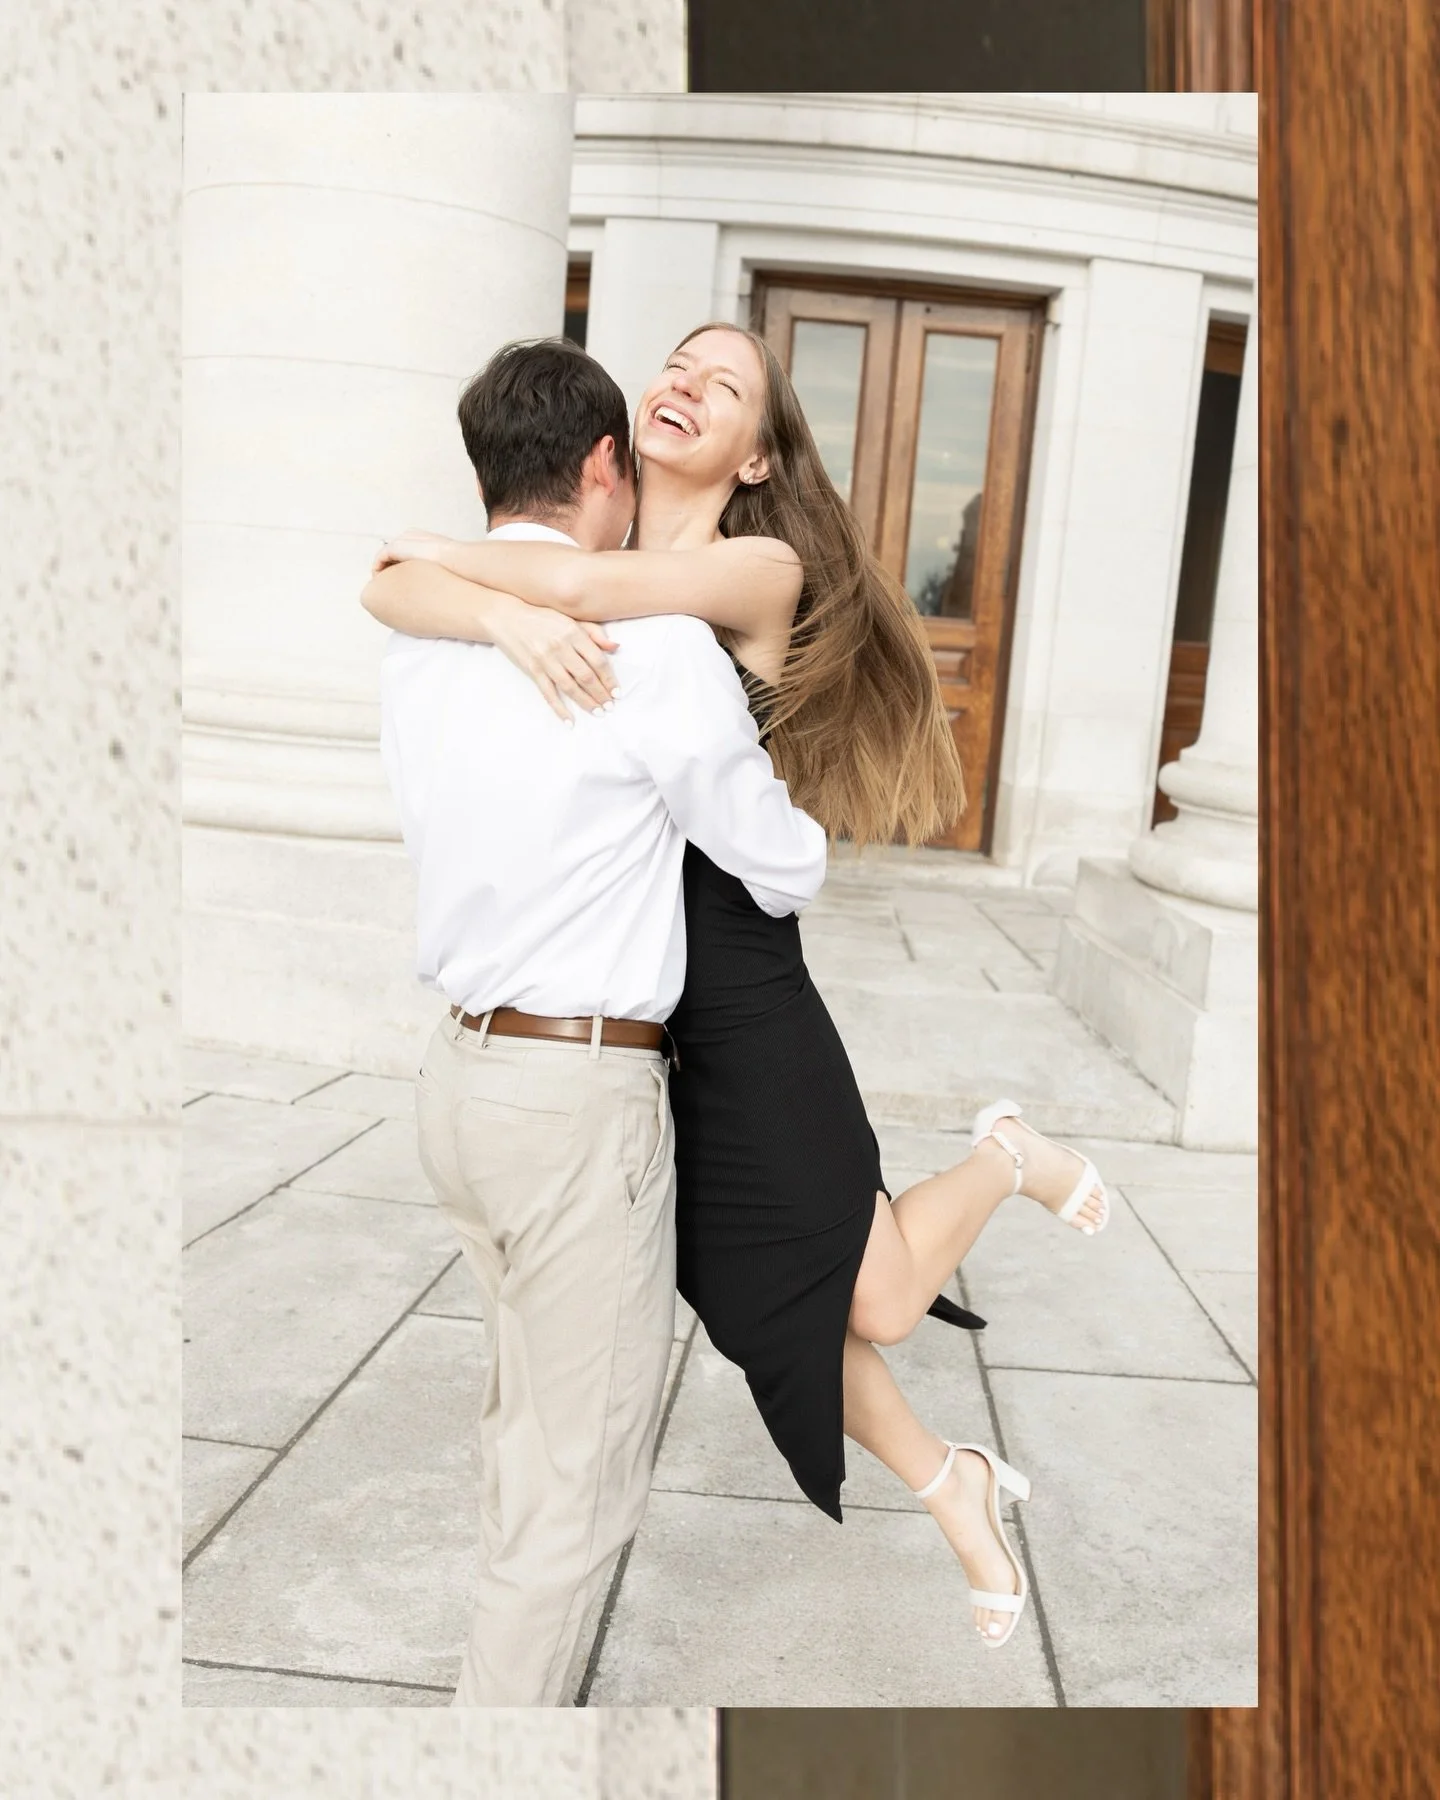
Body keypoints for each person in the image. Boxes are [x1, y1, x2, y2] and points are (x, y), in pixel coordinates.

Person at [365, 324, 1110, 1651]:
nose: (684, 385)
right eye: (676, 365)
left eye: (723, 386)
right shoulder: (587, 560)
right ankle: (963, 1489)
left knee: (873, 1297)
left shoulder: (747, 566)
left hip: (741, 998)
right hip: (632, 1026)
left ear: (758, 451)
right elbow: (401, 588)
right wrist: (489, 601)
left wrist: (479, 584)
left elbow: (488, 584)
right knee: (787, 1315)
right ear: (612, 446)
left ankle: (1004, 1154)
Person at [371, 336, 828, 1705]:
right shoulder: (667, 651)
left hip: (457, 1083)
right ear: (603, 468)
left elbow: (406, 578)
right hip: (573, 1101)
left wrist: (497, 605)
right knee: (576, 1498)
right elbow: (775, 859)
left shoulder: (425, 622)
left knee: (528, 1435)